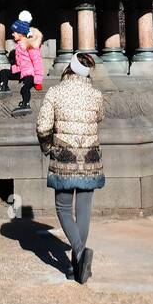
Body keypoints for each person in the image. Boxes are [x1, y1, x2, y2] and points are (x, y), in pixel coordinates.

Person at [36, 51, 104, 284]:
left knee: (63, 208)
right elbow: (100, 117)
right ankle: (78, 266)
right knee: (83, 209)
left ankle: (80, 252)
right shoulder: (96, 95)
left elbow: (43, 127)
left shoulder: (55, 92)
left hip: (64, 156)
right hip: (90, 156)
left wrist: (47, 147)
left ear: (69, 68)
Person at [0, 17, 43, 115]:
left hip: (30, 74)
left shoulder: (30, 45)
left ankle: (26, 104)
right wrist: (15, 69)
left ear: (20, 34)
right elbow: (20, 62)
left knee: (24, 89)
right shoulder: (19, 44)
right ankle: (4, 88)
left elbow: (37, 62)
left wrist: (37, 80)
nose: (12, 34)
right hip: (21, 71)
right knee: (3, 72)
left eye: (14, 32)